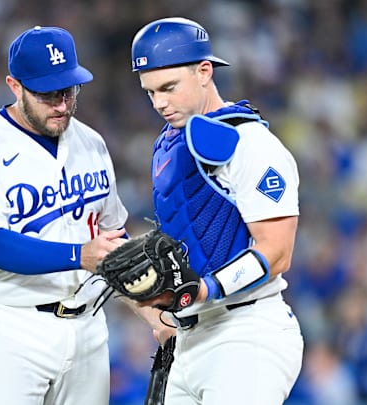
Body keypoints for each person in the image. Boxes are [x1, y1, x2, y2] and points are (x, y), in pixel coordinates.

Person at [0, 25, 129, 405]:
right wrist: (80, 256)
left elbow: (112, 235)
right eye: (47, 94)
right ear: (15, 85)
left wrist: (149, 306)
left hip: (89, 326)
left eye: (68, 90)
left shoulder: (92, 143)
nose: (61, 104)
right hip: (11, 328)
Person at [129, 17, 304, 404]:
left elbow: (277, 252)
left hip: (246, 332)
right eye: (150, 92)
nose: (159, 102)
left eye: (169, 88)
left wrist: (206, 289)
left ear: (204, 71)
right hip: (189, 336)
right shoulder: (171, 144)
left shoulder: (251, 143)